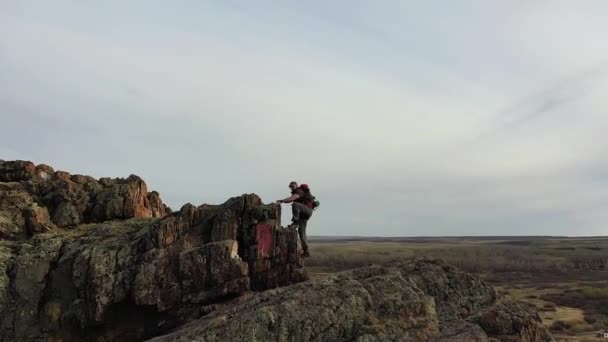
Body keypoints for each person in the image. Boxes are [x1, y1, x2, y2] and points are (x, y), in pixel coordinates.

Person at [276, 181, 313, 257]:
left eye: (293, 186)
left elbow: (293, 198)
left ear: (296, 185)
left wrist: (281, 200)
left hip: (307, 210)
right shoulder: (296, 192)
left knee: (295, 204)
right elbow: (290, 199)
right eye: (290, 187)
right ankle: (306, 251)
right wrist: (282, 201)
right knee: (301, 232)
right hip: (303, 215)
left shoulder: (299, 191)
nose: (291, 187)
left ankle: (295, 222)